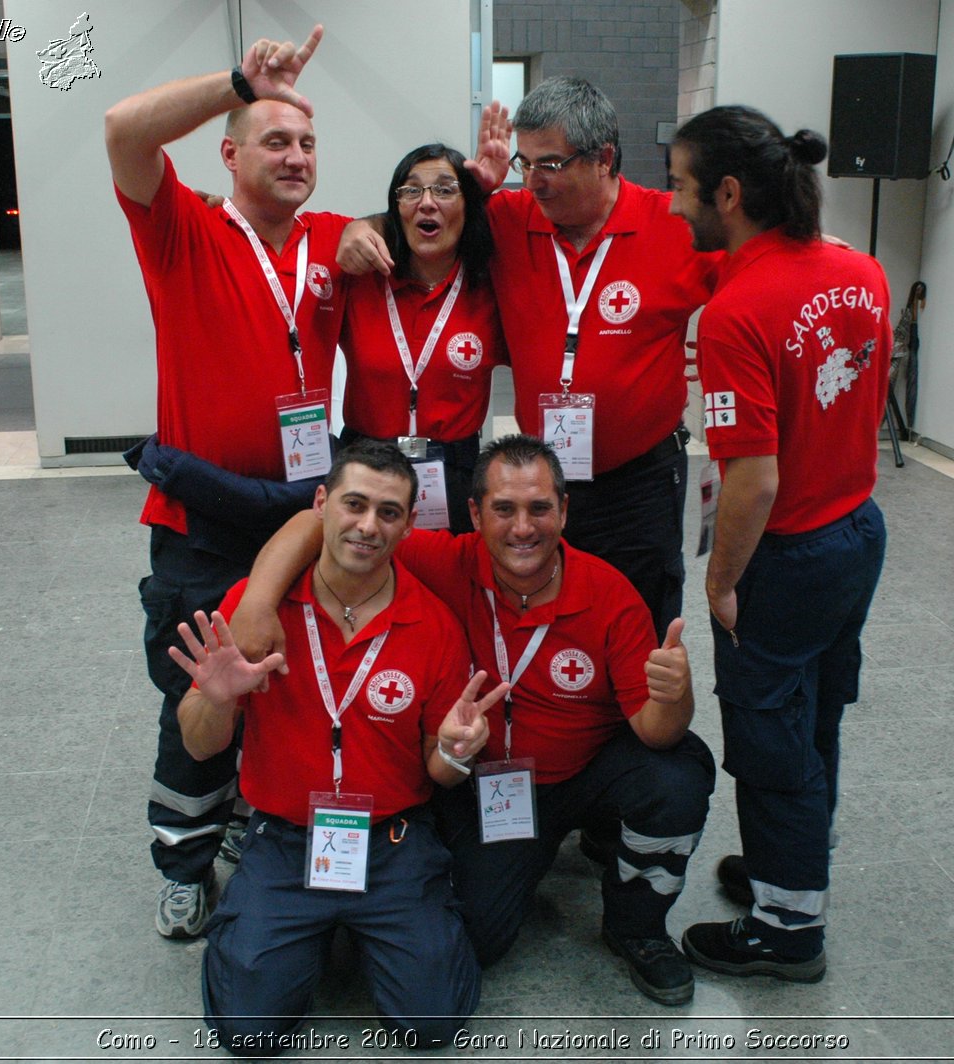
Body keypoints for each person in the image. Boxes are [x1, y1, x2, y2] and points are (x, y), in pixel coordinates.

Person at [232, 435, 716, 1006]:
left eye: (539, 508)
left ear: (564, 510)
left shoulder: (609, 594)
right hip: (486, 782)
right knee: (477, 941)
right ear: (474, 515)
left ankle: (638, 927)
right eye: (504, 509)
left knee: (678, 772)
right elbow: (318, 524)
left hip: (582, 773)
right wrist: (258, 601)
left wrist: (674, 697)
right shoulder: (440, 559)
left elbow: (656, 732)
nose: (522, 528)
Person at [105, 25, 352, 938]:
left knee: (282, 678)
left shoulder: (333, 239)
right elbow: (125, 130)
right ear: (230, 151)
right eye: (275, 140)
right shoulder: (184, 230)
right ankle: (182, 856)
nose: (294, 157)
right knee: (199, 689)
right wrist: (240, 80)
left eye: (307, 142)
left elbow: (430, 238)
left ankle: (252, 816)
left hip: (298, 513)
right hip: (201, 518)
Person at [341, 77, 722, 640]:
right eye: (525, 163)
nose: (533, 181)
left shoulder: (675, 226)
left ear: (605, 159)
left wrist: (805, 249)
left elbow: (756, 264)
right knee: (536, 618)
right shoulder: (511, 218)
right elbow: (423, 220)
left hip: (637, 481)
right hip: (545, 478)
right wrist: (358, 227)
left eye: (550, 164)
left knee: (640, 623)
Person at [169, 441, 502, 1052]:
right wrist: (215, 698)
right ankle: (291, 928)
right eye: (354, 504)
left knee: (432, 1025)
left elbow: (440, 770)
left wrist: (458, 751)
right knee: (246, 1032)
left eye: (389, 512)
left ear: (408, 522)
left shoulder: (432, 624)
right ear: (321, 503)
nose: (368, 526)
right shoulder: (256, 609)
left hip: (393, 841)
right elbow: (197, 748)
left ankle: (363, 926)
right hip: (286, 838)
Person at [667, 105, 891, 983]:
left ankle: (787, 929)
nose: (671, 200)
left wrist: (723, 580)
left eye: (682, 184)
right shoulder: (860, 270)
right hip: (856, 531)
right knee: (816, 718)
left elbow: (752, 480)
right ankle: (787, 873)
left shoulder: (735, 315)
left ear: (729, 192)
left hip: (789, 553)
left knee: (769, 745)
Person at [336, 143, 505, 535]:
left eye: (445, 189)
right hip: (365, 466)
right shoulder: (361, 280)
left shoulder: (492, 287)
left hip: (453, 470)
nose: (427, 202)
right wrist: (357, 226)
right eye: (411, 190)